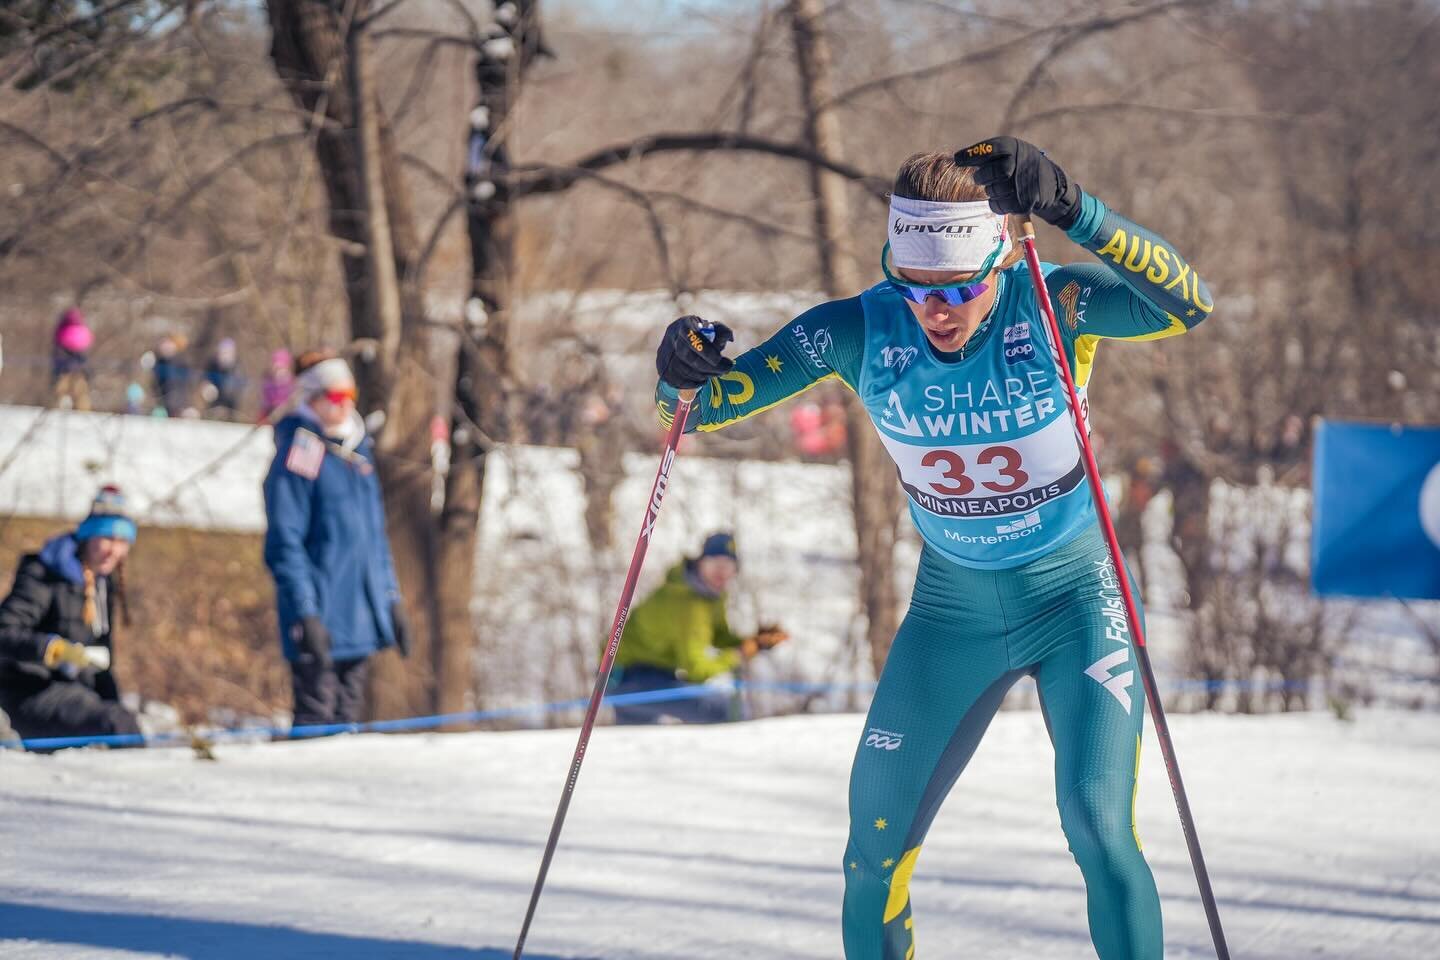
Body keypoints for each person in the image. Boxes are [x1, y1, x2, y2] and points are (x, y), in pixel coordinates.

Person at [651, 136, 1215, 959]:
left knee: (1098, 829)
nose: (936, 311)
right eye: (915, 288)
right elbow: (692, 411)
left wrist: (1074, 211)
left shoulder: (1053, 305)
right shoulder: (858, 329)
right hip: (951, 615)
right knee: (870, 856)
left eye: (959, 289)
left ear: (999, 266)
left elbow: (1186, 303)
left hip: (1075, 600)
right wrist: (680, 371)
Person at [263, 352, 409, 730]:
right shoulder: (302, 452)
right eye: (333, 396)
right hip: (321, 617)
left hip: (359, 619)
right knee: (319, 723)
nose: (343, 405)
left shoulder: (358, 455)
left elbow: (374, 540)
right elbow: (285, 542)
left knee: (349, 728)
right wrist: (305, 612)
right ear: (311, 398)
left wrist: (390, 600)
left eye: (349, 395)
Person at [0, 485, 141, 746]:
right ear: (89, 537)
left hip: (75, 691)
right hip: (28, 693)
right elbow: (4, 633)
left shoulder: (102, 584)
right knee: (115, 723)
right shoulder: (44, 575)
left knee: (122, 722)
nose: (114, 550)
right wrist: (53, 649)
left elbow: (102, 665)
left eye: (122, 542)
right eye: (107, 538)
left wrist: (116, 708)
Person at [610, 532, 788, 724]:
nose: (721, 571)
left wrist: (755, 643)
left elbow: (718, 637)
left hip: (653, 676)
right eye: (715, 562)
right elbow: (695, 669)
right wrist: (738, 655)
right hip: (628, 678)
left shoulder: (708, 596)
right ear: (701, 562)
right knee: (728, 711)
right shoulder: (686, 603)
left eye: (728, 565)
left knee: (640, 740)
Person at [52, 307, 93, 411]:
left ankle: (62, 407)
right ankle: (82, 409)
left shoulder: (62, 329)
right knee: (79, 391)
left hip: (65, 367)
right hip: (76, 366)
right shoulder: (79, 328)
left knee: (63, 390)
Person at [201, 337, 245, 419]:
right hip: (214, 403)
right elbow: (205, 380)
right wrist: (207, 387)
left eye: (227, 352)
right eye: (222, 352)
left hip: (231, 406)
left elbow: (237, 390)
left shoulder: (237, 367)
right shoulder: (212, 365)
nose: (224, 355)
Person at [259, 348, 296, 421]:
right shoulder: (268, 382)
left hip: (287, 415)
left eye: (281, 368)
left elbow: (293, 401)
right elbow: (265, 401)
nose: (279, 371)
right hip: (270, 413)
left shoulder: (292, 382)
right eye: (277, 368)